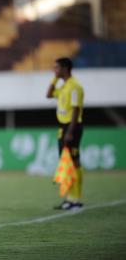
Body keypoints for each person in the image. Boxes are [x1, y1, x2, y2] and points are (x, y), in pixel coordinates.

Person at [47, 57, 85, 210]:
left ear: (65, 68)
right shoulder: (63, 86)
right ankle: (69, 198)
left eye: (56, 68)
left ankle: (75, 199)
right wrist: (54, 79)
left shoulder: (75, 86)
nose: (54, 70)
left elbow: (76, 110)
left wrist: (70, 132)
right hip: (63, 128)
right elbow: (48, 94)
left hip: (72, 127)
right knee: (66, 163)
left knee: (74, 162)